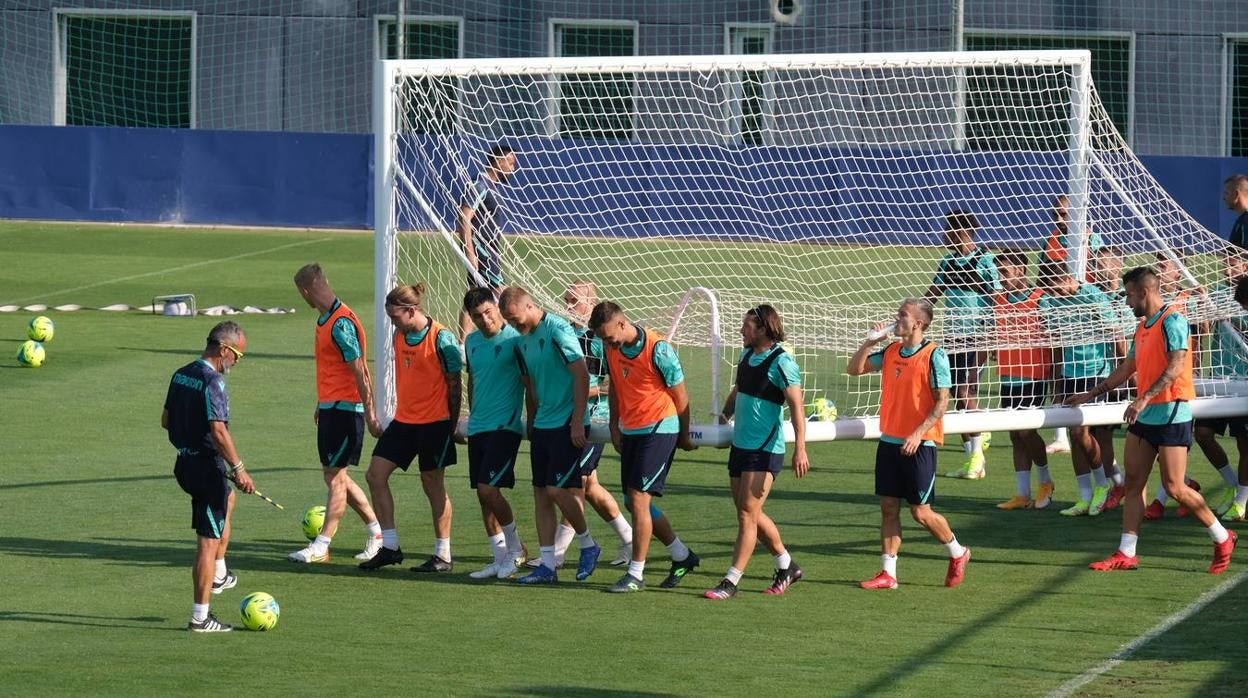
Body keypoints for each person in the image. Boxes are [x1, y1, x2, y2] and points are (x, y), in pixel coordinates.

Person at [1067, 266, 1237, 575]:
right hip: (1145, 416)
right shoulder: (1143, 327)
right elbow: (1128, 366)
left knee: (1175, 488)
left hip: (1171, 412)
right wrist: (1089, 395)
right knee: (1134, 483)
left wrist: (1143, 398)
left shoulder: (1173, 321)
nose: (1127, 302)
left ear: (1145, 292)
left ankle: (1223, 537)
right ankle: (1126, 552)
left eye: (1130, 295)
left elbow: (1175, 367)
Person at [847, 299, 971, 590]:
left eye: (902, 315)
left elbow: (942, 402)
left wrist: (917, 433)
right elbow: (854, 369)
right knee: (888, 506)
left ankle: (958, 552)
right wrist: (869, 343)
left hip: (921, 443)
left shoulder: (934, 355)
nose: (896, 318)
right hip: (889, 440)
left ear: (918, 323)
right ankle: (888, 573)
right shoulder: (890, 351)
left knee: (920, 512)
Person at [589, 300, 701, 593]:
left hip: (660, 427)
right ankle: (681, 555)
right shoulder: (611, 349)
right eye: (601, 337)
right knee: (632, 502)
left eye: (608, 335)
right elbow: (614, 387)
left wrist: (684, 434)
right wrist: (614, 426)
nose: (606, 341)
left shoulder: (658, 348)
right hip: (632, 430)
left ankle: (635, 573)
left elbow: (681, 395)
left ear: (622, 324)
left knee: (638, 499)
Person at [703, 305, 809, 600]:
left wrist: (800, 449)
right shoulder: (746, 356)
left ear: (763, 329)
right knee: (747, 511)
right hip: (741, 447)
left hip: (765, 450)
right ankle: (787, 565)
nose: (741, 331)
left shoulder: (783, 362)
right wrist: (724, 417)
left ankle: (731, 581)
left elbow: (798, 409)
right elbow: (739, 391)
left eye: (746, 326)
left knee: (747, 515)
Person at [498, 286, 601, 584]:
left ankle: (588, 544)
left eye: (516, 319)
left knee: (558, 490)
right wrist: (531, 419)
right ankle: (547, 565)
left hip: (566, 423)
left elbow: (580, 374)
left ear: (529, 306)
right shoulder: (523, 341)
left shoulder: (557, 329)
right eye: (510, 321)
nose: (515, 325)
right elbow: (530, 385)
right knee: (541, 494)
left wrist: (578, 421)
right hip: (543, 423)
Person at [358, 283, 463, 573]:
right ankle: (390, 547)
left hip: (435, 424)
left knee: (432, 485)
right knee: (375, 475)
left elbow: (455, 386)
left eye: (395, 317)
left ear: (411, 310)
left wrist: (451, 426)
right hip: (405, 422)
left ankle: (443, 555)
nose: (393, 322)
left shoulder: (442, 338)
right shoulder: (399, 335)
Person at [287, 263, 384, 564]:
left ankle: (322, 543)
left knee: (336, 476)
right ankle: (376, 531)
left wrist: (369, 413)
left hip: (346, 410)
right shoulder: (326, 320)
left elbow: (360, 370)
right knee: (333, 475)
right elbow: (334, 368)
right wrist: (321, 402)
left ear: (305, 291)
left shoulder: (341, 323)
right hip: (332, 407)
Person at [163, 321, 257, 632]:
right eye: (237, 356)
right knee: (207, 540)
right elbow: (218, 430)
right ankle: (200, 618)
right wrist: (239, 468)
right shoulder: (213, 381)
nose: (236, 362)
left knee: (228, 501)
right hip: (206, 467)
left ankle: (219, 573)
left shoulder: (181, 373)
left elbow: (166, 420)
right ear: (223, 349)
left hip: (185, 464)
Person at [542, 280, 633, 569]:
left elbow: (615, 381)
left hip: (596, 419)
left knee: (576, 482)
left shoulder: (601, 339)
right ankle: (629, 539)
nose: (568, 306)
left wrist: (585, 392)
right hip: (571, 417)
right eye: (566, 300)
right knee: (591, 487)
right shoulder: (565, 334)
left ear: (591, 304)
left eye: (574, 301)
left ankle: (557, 552)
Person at [1039, 262, 1125, 517]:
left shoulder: (1093, 296)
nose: (1053, 294)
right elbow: (1056, 343)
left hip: (1097, 374)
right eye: (1049, 289)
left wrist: (1126, 375)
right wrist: (1056, 380)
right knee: (1077, 437)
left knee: (1094, 436)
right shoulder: (1048, 303)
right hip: (1069, 375)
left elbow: (1115, 334)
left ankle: (1106, 486)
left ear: (1068, 279)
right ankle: (1086, 495)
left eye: (1055, 288)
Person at [923, 209, 999, 479]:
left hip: (977, 337)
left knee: (966, 391)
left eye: (948, 229)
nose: (944, 234)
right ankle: (972, 461)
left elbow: (997, 301)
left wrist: (993, 339)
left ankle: (978, 457)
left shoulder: (985, 261)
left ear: (963, 231)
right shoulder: (947, 262)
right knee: (957, 395)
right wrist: (915, 320)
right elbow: (931, 297)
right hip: (953, 339)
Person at [460, 287, 530, 579]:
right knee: (482, 494)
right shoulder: (472, 342)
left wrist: (535, 417)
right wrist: (471, 415)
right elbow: (474, 381)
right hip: (479, 426)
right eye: (477, 316)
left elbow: (529, 381)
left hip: (505, 425)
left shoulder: (516, 340)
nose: (484, 319)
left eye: (488, 312)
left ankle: (517, 548)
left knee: (490, 488)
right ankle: (499, 557)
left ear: (497, 308)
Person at [990, 252, 1055, 509]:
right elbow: (992, 336)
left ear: (1020, 271)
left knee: (1028, 431)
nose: (1001, 279)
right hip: (1007, 376)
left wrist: (1055, 376)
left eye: (1005, 273)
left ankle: (1046, 481)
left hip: (1034, 374)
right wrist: (977, 367)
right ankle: (1022, 493)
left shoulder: (1040, 300)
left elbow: (1054, 339)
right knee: (1015, 435)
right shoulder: (998, 301)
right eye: (999, 274)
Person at [1192, 252, 1248, 521]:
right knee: (1202, 433)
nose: (1227, 266)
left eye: (1233, 261)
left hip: (1243, 382)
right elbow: (1204, 329)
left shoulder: (1244, 295)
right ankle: (1232, 484)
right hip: (1217, 379)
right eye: (1224, 261)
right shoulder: (1214, 293)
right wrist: (1203, 308)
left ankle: (1242, 499)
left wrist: (1230, 316)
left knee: (1244, 443)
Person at [458, 143, 518, 338]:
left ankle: (462, 342)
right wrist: (470, 251)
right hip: (482, 250)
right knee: (505, 294)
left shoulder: (491, 185)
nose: (513, 168)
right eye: (510, 163)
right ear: (498, 162)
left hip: (488, 249)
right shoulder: (480, 184)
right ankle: (520, 334)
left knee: (474, 295)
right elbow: (465, 215)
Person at [1224, 174, 1248, 250]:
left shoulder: (1246, 220)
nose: (1224, 198)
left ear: (1236, 194)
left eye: (1226, 193)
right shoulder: (1242, 219)